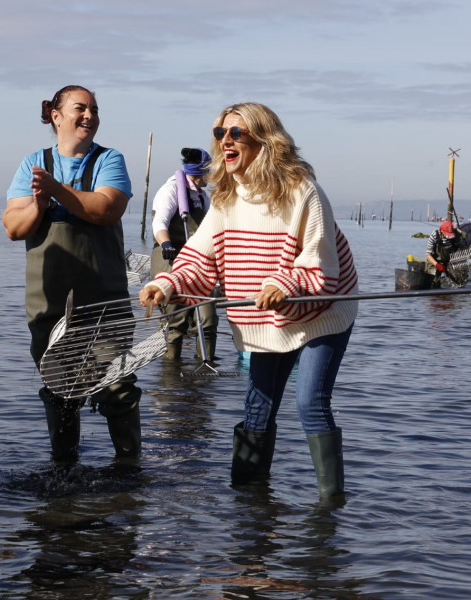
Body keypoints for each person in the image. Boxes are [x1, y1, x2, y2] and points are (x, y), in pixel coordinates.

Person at [139, 102, 358, 500]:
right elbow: (199, 257)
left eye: (236, 133)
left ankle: (329, 510)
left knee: (309, 402)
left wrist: (284, 282)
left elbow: (320, 264)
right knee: (257, 407)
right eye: (220, 133)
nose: (225, 140)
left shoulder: (302, 190)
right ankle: (248, 504)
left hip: (322, 307)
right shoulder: (226, 198)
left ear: (264, 139)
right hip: (265, 317)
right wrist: (168, 284)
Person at [2, 85, 142, 463]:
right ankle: (64, 472)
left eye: (94, 110)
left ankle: (129, 471)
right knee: (60, 390)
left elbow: (106, 210)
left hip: (104, 303)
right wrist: (39, 204)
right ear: (56, 115)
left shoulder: (109, 160)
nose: (90, 116)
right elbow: (14, 227)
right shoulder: (33, 162)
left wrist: (55, 190)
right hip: (48, 306)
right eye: (80, 108)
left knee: (117, 385)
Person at [150, 147, 219, 361]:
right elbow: (159, 223)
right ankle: (170, 377)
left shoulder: (202, 196)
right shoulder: (170, 191)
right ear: (201, 172)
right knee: (176, 320)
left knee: (207, 318)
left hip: (196, 259)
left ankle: (205, 372)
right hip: (169, 255)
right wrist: (167, 244)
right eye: (211, 171)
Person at [425, 219, 465, 284]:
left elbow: (463, 247)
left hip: (448, 261)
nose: (449, 237)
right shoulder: (434, 235)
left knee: (457, 281)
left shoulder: (455, 236)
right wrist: (437, 265)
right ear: (441, 230)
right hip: (434, 261)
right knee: (433, 281)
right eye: (447, 234)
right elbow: (428, 255)